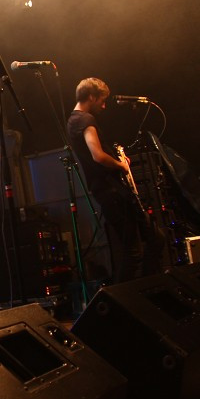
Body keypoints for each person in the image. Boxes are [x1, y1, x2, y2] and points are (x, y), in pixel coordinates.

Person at [65, 77, 162, 284]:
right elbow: (98, 155)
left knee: (153, 239)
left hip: (107, 192)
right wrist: (121, 166)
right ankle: (138, 295)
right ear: (91, 97)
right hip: (113, 191)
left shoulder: (73, 121)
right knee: (134, 251)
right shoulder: (85, 120)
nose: (104, 105)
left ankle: (147, 289)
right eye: (101, 100)